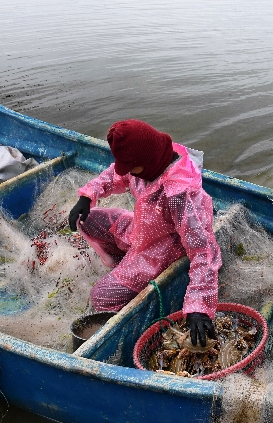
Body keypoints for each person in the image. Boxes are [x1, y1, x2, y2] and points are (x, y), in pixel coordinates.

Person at [68, 119, 221, 347]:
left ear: (145, 161)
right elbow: (114, 175)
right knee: (87, 219)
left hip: (161, 251)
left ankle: (128, 282)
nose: (128, 172)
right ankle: (122, 263)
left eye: (131, 167)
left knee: (100, 296)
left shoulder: (179, 195)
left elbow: (204, 251)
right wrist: (87, 196)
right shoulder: (150, 158)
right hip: (144, 229)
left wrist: (199, 306)